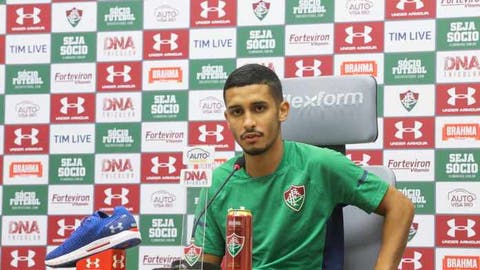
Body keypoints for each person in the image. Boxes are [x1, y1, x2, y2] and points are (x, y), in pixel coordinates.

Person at [194, 64, 415, 269]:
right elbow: (206, 263)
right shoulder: (218, 184)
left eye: (259, 108)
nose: (248, 122)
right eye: (237, 112)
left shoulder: (321, 165)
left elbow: (401, 207)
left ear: (282, 111)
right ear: (227, 118)